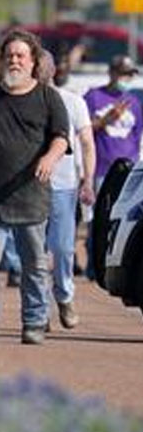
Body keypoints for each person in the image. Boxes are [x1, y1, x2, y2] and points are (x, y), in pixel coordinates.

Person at [0, 30, 69, 345]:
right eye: (9, 55)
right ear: (0, 61)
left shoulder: (48, 97)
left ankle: (35, 321)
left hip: (31, 196)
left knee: (34, 263)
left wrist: (51, 157)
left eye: (21, 55)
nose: (14, 60)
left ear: (33, 61)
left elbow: (61, 137)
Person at [44, 51, 96, 329]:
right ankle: (39, 310)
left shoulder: (73, 102)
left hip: (63, 187)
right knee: (33, 252)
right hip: (26, 189)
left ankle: (64, 296)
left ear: (52, 71)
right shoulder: (16, 100)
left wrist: (88, 180)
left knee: (63, 249)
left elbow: (87, 142)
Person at [83, 54, 142, 278]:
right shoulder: (93, 97)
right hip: (101, 168)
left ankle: (114, 267)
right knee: (98, 220)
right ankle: (93, 267)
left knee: (120, 221)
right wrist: (107, 119)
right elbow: (84, 130)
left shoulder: (134, 103)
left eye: (129, 75)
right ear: (112, 73)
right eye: (123, 74)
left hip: (127, 171)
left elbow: (137, 137)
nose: (126, 79)